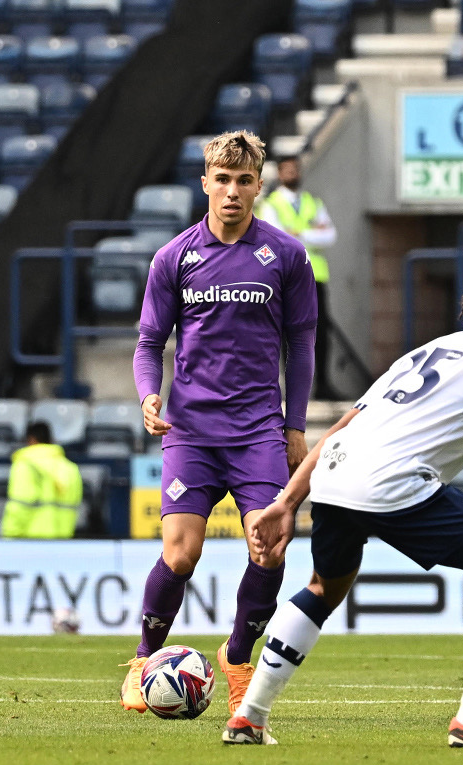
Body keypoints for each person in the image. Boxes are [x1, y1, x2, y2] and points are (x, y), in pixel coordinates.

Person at [223, 271, 463, 750]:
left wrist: (286, 501)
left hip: (335, 477)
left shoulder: (423, 353)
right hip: (392, 482)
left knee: (323, 587)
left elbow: (343, 426)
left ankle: (248, 718)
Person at [122, 130, 318, 717]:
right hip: (191, 432)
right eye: (222, 180)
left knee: (270, 549)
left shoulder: (286, 255)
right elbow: (147, 344)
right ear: (205, 182)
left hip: (258, 429)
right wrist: (148, 397)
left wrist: (296, 424)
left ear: (259, 186)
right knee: (181, 555)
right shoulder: (173, 257)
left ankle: (236, 659)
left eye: (244, 181)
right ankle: (143, 660)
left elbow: (302, 344)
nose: (232, 191)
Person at [258, 156, 339, 400]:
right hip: (287, 278)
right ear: (280, 173)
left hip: (315, 276)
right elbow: (278, 239)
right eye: (288, 170)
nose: (292, 173)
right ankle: (291, 388)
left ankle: (322, 385)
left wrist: (298, 232)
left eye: (295, 169)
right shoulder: (270, 205)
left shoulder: (312, 202)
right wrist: (312, 232)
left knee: (321, 332)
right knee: (288, 334)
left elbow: (330, 236)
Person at [1, 421, 83, 539]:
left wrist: (9, 535)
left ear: (31, 439)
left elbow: (20, 505)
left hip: (30, 543)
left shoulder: (25, 465)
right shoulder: (71, 469)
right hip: (63, 542)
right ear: (51, 440)